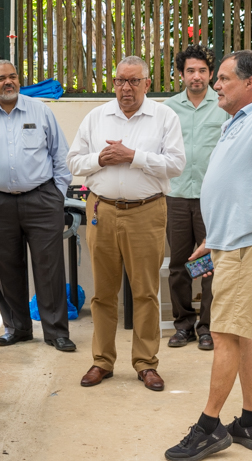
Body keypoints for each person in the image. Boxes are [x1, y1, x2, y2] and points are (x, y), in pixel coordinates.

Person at [165, 50, 252, 461]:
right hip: (231, 242)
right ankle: (250, 423)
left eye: (224, 78)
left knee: (224, 333)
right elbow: (234, 186)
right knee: (241, 333)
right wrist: (215, 239)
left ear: (250, 85)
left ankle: (208, 427)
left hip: (248, 245)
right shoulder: (234, 123)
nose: (216, 84)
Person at [67, 56, 185, 390]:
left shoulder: (164, 117)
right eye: (120, 80)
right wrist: (99, 159)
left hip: (147, 211)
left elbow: (176, 164)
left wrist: (133, 157)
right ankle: (102, 361)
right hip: (101, 210)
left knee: (145, 291)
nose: (125, 88)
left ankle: (146, 364)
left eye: (133, 81)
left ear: (147, 84)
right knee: (103, 294)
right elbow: (73, 161)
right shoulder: (97, 116)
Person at [0, 60, 76, 352]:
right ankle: (17, 327)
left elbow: (60, 155)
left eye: (13, 76)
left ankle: (56, 332)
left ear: (19, 79)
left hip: (40, 199)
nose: (8, 82)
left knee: (49, 267)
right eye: (1, 78)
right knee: (4, 267)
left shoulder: (40, 111)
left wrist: (57, 195)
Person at [163, 45, 230, 351]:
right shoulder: (168, 109)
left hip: (211, 199)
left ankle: (206, 327)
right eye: (191, 70)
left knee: (208, 265)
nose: (197, 76)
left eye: (202, 70)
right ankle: (183, 324)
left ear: (211, 73)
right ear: (181, 74)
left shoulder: (223, 105)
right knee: (179, 265)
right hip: (175, 196)